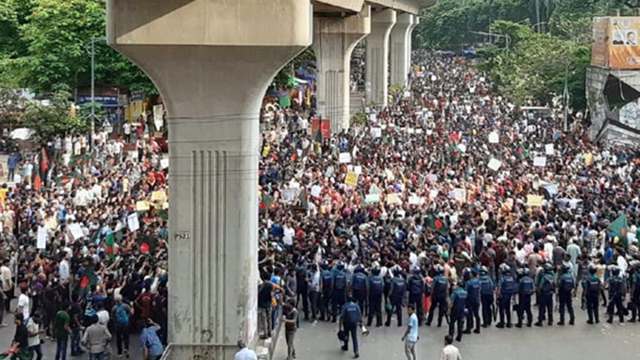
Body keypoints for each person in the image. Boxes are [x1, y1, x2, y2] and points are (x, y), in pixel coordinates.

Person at [496, 264, 515, 328]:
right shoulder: (511, 278)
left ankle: (502, 323)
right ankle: (509, 323)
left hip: (503, 295)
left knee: (501, 309)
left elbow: (499, 287)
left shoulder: (502, 278)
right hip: (509, 295)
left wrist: (497, 296)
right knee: (508, 309)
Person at [463, 268, 481, 334]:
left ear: (472, 274)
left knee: (469, 315)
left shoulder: (468, 283)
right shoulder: (478, 281)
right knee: (476, 315)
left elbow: (466, 292)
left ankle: (468, 329)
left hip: (470, 300)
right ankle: (478, 328)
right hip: (477, 299)